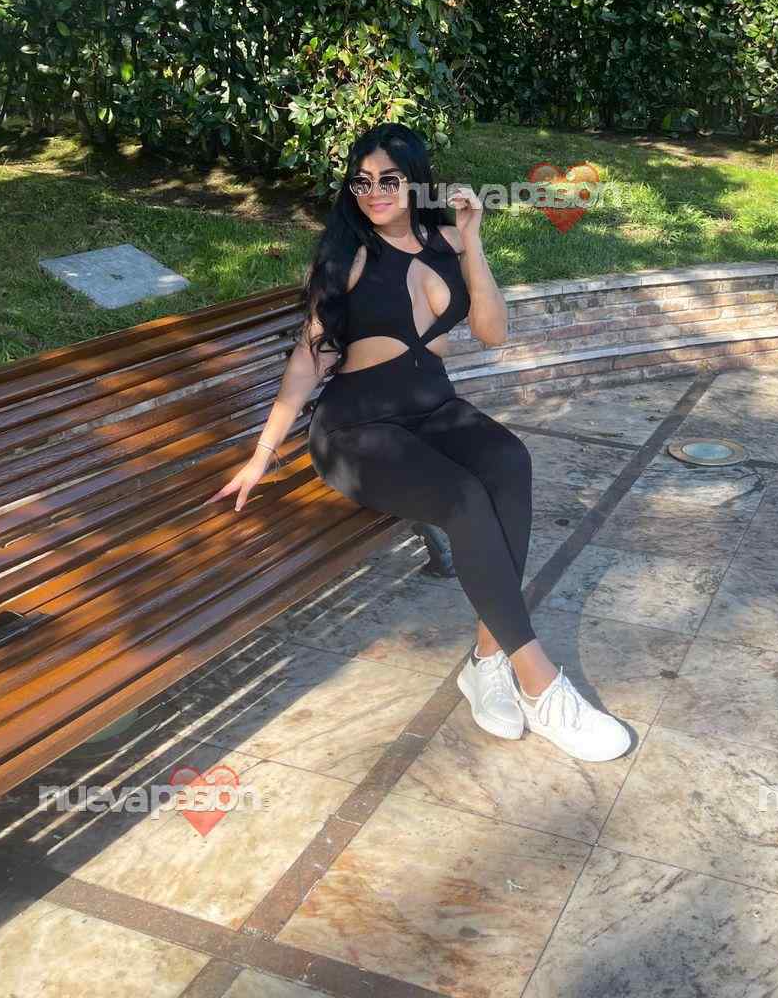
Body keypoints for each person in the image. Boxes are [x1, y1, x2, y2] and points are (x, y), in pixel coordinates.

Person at [215, 122, 630, 763]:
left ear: (415, 181)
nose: (374, 193)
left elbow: (492, 332)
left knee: (508, 461)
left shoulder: (448, 242)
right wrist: (263, 454)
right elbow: (308, 359)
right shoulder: (348, 256)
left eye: (389, 179)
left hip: (434, 411)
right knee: (463, 497)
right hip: (357, 431)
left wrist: (474, 240)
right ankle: (541, 684)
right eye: (361, 182)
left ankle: (486, 662)